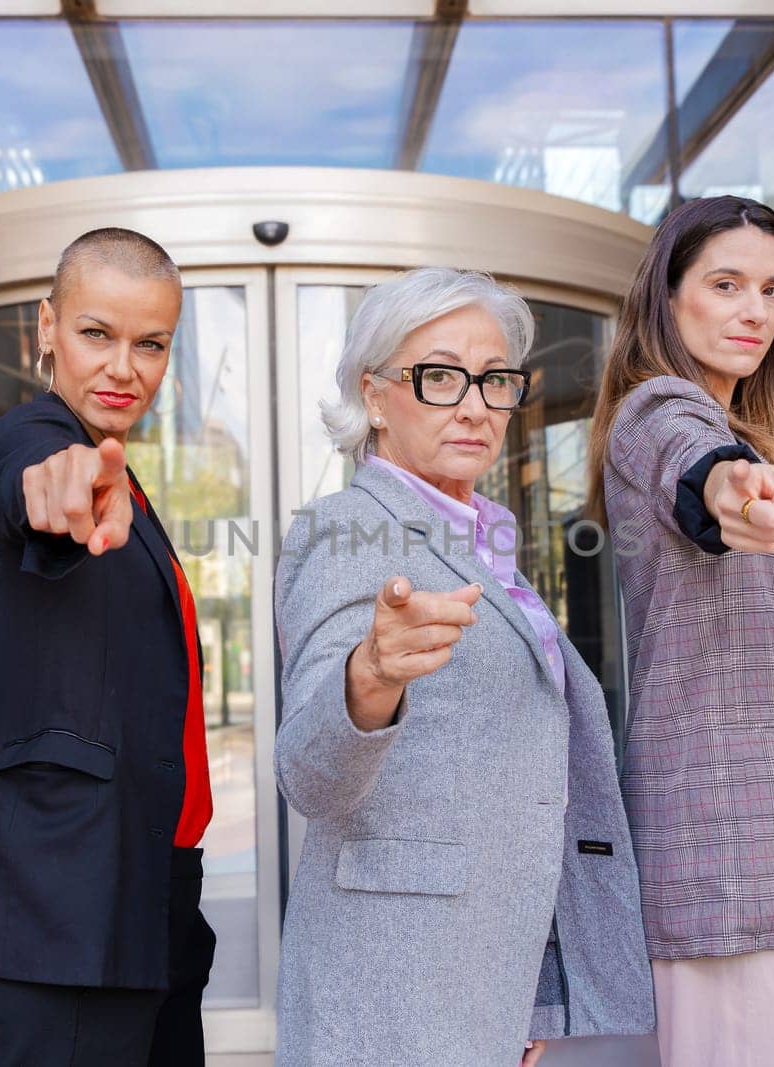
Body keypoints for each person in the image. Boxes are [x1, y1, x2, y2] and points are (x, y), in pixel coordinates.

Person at [273, 267, 654, 1066]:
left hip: (479, 971)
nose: (475, 404)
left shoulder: (481, 540)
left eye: (495, 380)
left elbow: (517, 778)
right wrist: (369, 678)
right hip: (393, 984)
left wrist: (529, 986)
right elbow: (308, 776)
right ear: (375, 397)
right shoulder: (347, 531)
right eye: (440, 376)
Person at [585, 195, 774, 1067]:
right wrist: (735, 493)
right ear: (669, 298)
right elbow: (702, 475)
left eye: (773, 290)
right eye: (726, 284)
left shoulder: (740, 427)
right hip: (728, 846)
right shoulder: (661, 412)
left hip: (759, 849)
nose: (755, 310)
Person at [0, 228, 215, 1066]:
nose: (125, 366)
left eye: (150, 343)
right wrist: (55, 489)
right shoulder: (33, 438)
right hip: (64, 909)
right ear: (44, 328)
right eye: (97, 334)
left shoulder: (125, 478)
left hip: (145, 895)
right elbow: (37, 482)